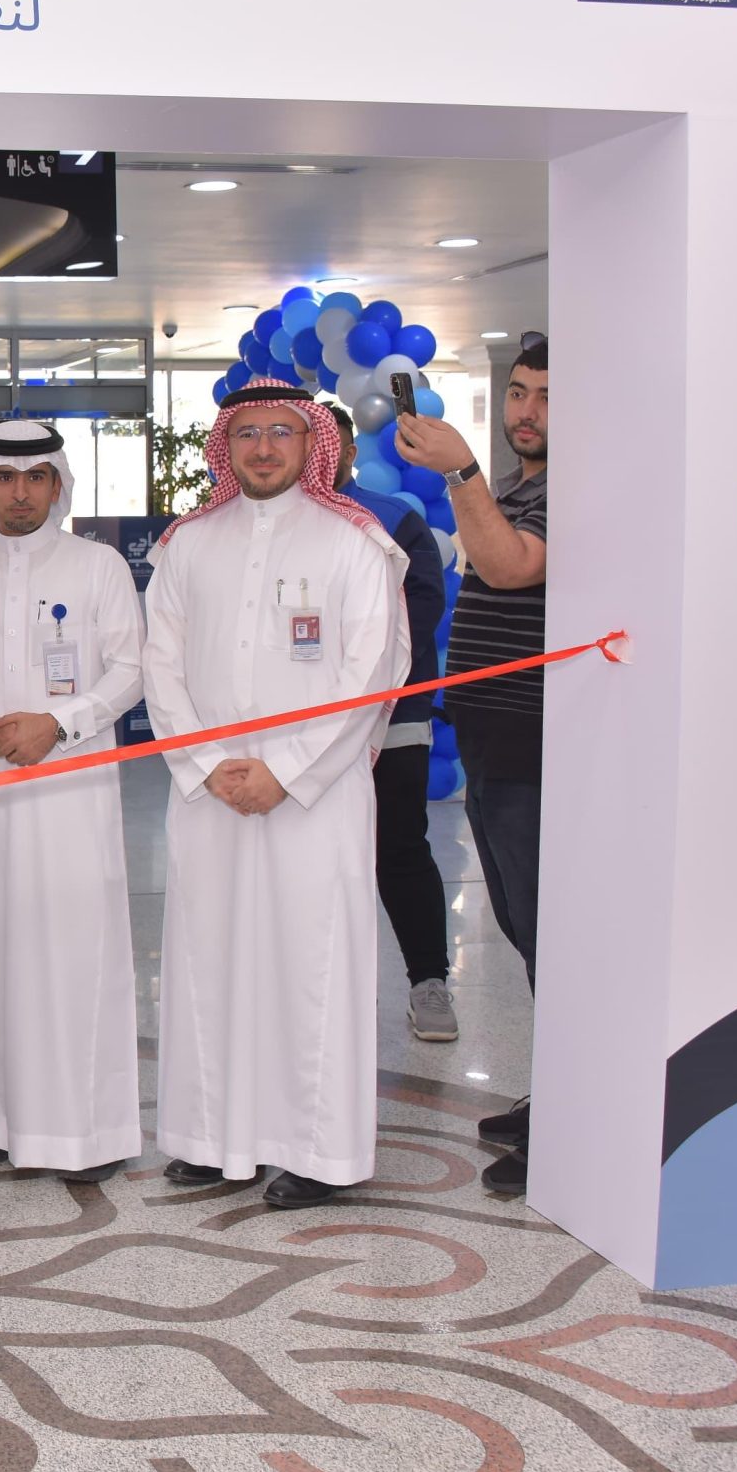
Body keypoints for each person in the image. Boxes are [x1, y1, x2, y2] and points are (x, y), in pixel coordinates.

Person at [141, 379, 407, 1209]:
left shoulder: (355, 543)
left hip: (315, 798)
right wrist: (208, 761)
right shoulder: (188, 544)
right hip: (210, 792)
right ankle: (210, 1136)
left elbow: (373, 671)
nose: (262, 448)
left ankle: (318, 1150)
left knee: (309, 962)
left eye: (280, 433)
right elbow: (160, 664)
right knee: (209, 956)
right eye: (247, 433)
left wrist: (285, 770)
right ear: (226, 445)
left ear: (312, 443)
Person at [0, 420, 145, 1183]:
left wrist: (59, 722)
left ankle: (84, 1130)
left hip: (72, 788)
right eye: (4, 477)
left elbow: (132, 668)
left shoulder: (98, 566)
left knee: (74, 950)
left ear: (58, 484)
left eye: (35, 477)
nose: (20, 493)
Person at [396, 335, 549, 1196]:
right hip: (496, 745)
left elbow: (507, 564)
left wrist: (461, 471)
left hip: (539, 749)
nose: (526, 411)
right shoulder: (523, 487)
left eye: (547, 397)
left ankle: (578, 1118)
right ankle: (560, 1092)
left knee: (555, 935)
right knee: (525, 931)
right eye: (518, 392)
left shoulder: (575, 490)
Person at [326, 405, 456, 1042]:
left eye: (332, 444)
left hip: (392, 718)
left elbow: (420, 611)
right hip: (301, 730)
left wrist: (358, 685)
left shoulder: (395, 520)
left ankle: (429, 981)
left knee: (400, 848)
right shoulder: (270, 527)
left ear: (350, 450)